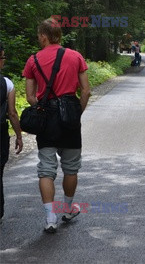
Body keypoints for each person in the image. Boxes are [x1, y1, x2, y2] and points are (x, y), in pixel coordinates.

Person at [22, 18, 91, 233]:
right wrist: (76, 112)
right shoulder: (75, 56)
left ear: (43, 36)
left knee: (46, 169)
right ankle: (68, 209)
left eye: (38, 36)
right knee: (70, 168)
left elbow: (31, 97)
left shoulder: (33, 60)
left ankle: (50, 218)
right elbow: (86, 91)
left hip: (47, 117)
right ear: (59, 35)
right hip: (70, 113)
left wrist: (43, 109)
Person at [0, 43, 23, 220]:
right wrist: (19, 136)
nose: (4, 61)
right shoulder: (6, 83)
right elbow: (12, 113)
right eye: (3, 57)